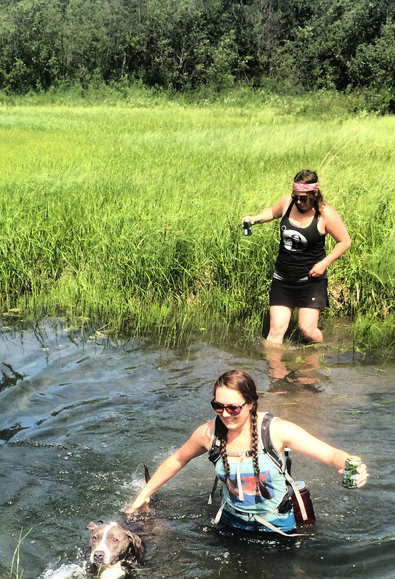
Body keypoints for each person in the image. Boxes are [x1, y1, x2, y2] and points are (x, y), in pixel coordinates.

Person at [127, 370, 368, 539]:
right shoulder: (209, 433)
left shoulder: (276, 431)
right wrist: (143, 496)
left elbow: (330, 454)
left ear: (251, 403)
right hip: (230, 526)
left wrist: (351, 465)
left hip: (279, 530)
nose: (225, 414)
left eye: (233, 407)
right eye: (218, 406)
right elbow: (177, 459)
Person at [242, 169, 351, 344]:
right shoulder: (288, 203)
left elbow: (344, 241)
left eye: (303, 198)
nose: (298, 202)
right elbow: (273, 212)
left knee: (308, 331)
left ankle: (323, 350)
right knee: (275, 332)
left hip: (311, 280)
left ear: (314, 193)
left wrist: (324, 263)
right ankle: (273, 363)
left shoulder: (325, 214)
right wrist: (255, 219)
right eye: (296, 197)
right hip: (283, 278)